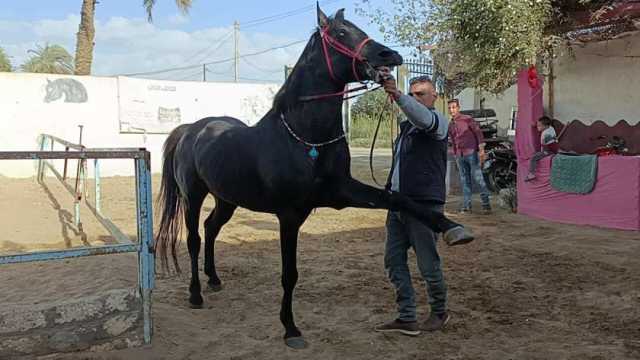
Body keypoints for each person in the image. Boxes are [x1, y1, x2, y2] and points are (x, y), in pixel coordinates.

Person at [373, 73, 457, 337]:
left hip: (424, 206)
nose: (416, 98)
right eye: (413, 94)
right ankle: (407, 316)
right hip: (398, 204)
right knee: (393, 260)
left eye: (422, 94)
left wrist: (398, 95)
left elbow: (422, 117)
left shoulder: (438, 122)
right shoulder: (406, 129)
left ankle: (439, 311)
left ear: (435, 97)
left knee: (427, 264)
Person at [447, 99, 492, 214]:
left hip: (471, 153)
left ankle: (486, 204)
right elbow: (452, 141)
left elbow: (478, 133)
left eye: (453, 107)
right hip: (460, 155)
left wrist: (481, 150)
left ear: (458, 108)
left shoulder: (467, 119)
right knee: (464, 181)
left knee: (478, 178)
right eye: (450, 108)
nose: (452, 110)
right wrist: (456, 156)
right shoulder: (450, 125)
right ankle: (467, 206)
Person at [525, 116, 559, 181]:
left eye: (539, 126)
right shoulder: (551, 128)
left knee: (533, 158)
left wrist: (544, 152)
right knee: (536, 154)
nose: (538, 127)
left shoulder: (545, 134)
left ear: (545, 126)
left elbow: (544, 145)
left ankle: (531, 174)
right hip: (554, 149)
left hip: (548, 150)